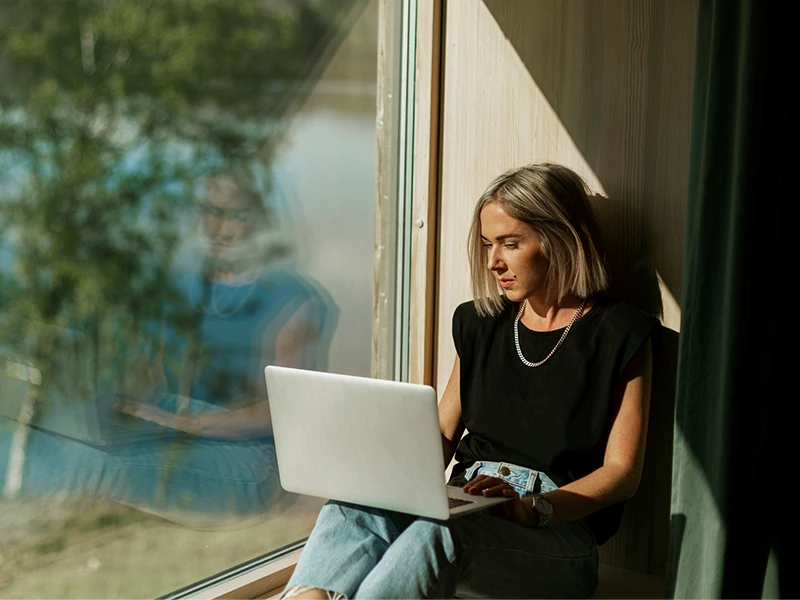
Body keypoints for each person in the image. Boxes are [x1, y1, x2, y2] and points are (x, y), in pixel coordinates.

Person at [281, 163, 658, 599]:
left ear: (559, 239)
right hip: (465, 496)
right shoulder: (481, 323)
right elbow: (443, 431)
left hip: (557, 530)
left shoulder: (621, 333)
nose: (494, 262)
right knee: (350, 510)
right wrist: (375, 475)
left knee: (434, 535)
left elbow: (621, 473)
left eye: (510, 244)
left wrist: (533, 508)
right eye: (487, 244)